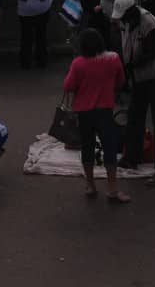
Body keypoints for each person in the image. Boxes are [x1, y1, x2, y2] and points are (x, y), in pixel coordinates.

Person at [113, 0, 155, 186]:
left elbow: (153, 51)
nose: (121, 20)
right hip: (139, 76)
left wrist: (131, 66)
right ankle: (132, 157)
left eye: (124, 16)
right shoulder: (125, 22)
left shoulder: (149, 21)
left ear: (133, 10)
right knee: (135, 116)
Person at [63, 29, 128, 202]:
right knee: (109, 147)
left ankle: (90, 185)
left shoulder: (78, 63)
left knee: (87, 147)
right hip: (105, 110)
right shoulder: (113, 59)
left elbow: (68, 85)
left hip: (84, 112)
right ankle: (113, 188)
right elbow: (121, 81)